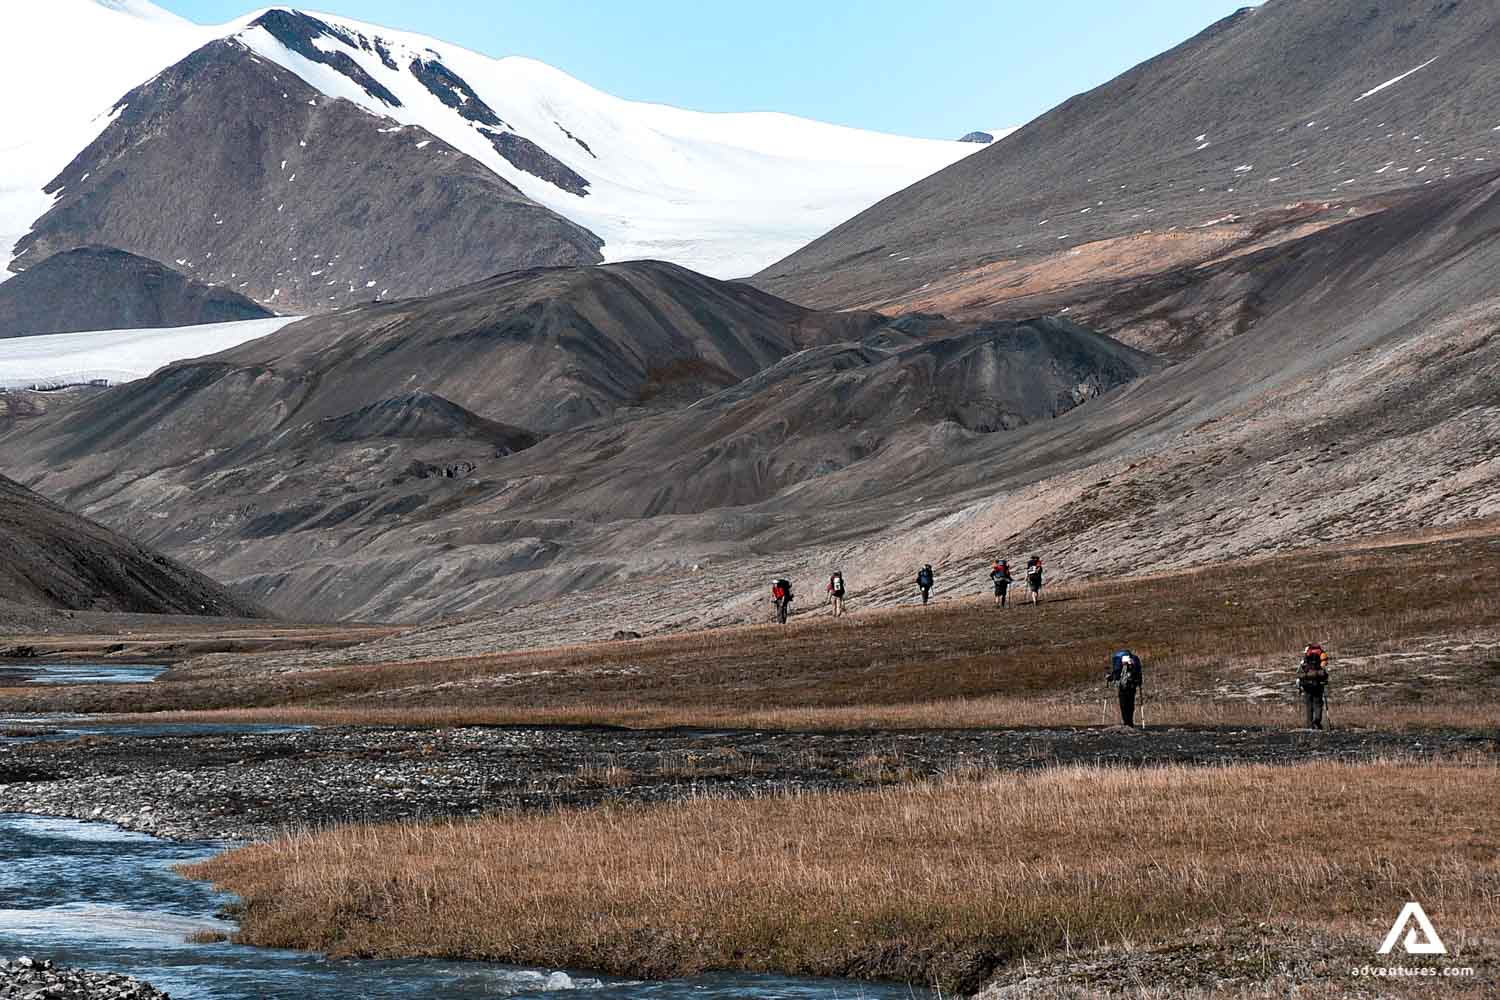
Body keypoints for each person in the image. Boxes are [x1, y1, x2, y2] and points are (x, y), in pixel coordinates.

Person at [1297, 643, 1330, 729]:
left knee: (1309, 705)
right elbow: (1325, 673)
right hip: (1318, 685)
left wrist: (1300, 685)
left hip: (1307, 685)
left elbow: (1299, 672)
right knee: (1318, 703)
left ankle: (1309, 725)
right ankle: (1317, 721)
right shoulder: (1321, 660)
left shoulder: (1305, 660)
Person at [1108, 649, 1144, 727]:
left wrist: (1110, 677)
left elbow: (1116, 675)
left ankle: (1127, 723)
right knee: (1130, 704)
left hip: (1123, 687)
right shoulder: (1134, 662)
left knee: (1124, 705)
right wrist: (1139, 682)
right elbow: (1138, 674)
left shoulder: (1120, 663)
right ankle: (1129, 722)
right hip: (1132, 686)